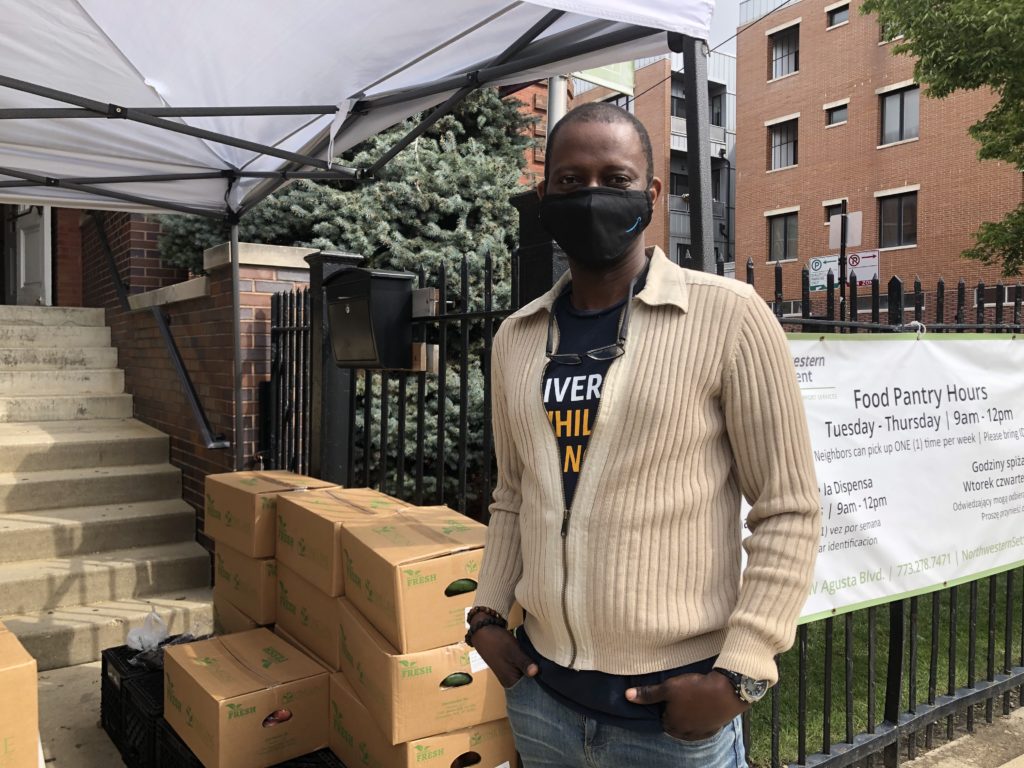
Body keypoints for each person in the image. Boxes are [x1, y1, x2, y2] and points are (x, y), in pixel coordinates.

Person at [465, 101, 821, 768]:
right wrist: (486, 616)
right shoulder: (515, 340)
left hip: (670, 719)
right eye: (570, 181)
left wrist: (741, 673)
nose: (592, 194)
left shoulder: (729, 317)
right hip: (541, 701)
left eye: (615, 177)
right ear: (544, 196)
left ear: (652, 194)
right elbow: (513, 495)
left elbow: (789, 510)